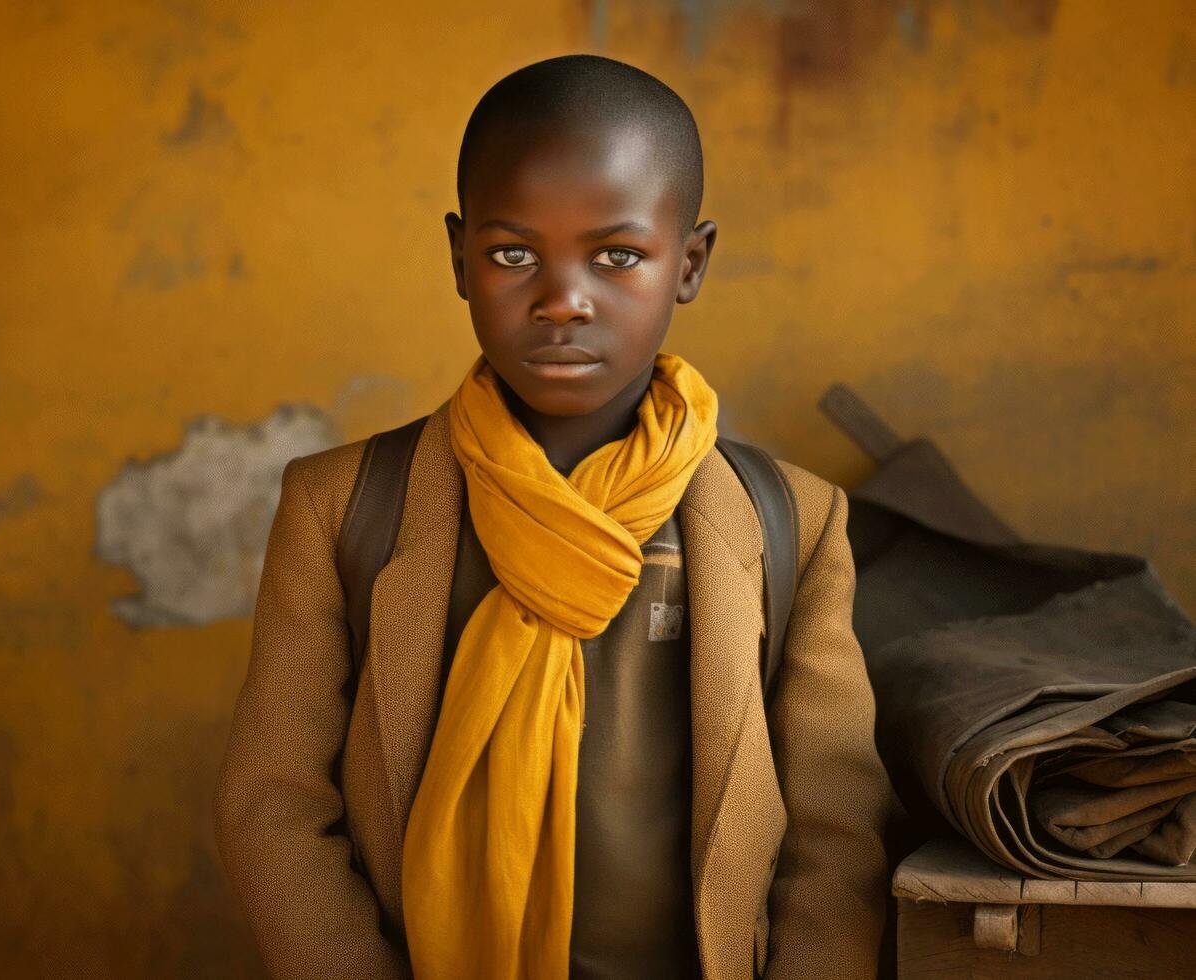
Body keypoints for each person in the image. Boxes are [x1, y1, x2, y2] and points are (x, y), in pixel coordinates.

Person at [214, 54, 893, 980]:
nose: (562, 298)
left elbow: (837, 827)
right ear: (459, 258)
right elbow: (275, 803)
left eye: (617, 255)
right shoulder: (341, 507)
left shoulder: (790, 521)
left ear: (688, 263)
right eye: (512, 254)